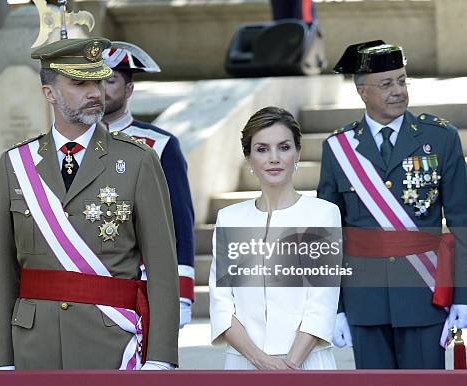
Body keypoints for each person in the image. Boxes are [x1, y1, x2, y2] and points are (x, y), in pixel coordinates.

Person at [0, 37, 179, 370]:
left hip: (109, 343)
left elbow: (163, 268)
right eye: (80, 83)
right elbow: (4, 271)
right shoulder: (16, 163)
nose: (96, 92)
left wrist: (160, 360)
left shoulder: (138, 160)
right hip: (35, 346)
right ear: (50, 93)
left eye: (98, 80)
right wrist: (3, 361)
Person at [318, 40, 467, 368]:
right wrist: (334, 307)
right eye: (386, 83)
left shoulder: (440, 138)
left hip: (424, 295)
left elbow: (462, 222)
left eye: (402, 80)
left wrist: (463, 296)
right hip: (363, 299)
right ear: (362, 91)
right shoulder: (338, 147)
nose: (398, 90)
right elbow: (327, 236)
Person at [209, 106, 341, 370]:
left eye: (284, 147)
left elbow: (322, 302)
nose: (274, 158)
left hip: (306, 363)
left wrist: (288, 367)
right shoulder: (229, 218)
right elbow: (222, 304)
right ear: (248, 158)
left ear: (298, 153)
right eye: (262, 149)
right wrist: (260, 361)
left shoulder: (323, 214)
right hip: (244, 364)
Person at [102, 41, 195, 328]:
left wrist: (181, 293)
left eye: (110, 80)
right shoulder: (67, 146)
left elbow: (180, 221)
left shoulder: (161, 145)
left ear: (129, 89)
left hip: (141, 284)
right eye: (91, 80)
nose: (99, 88)